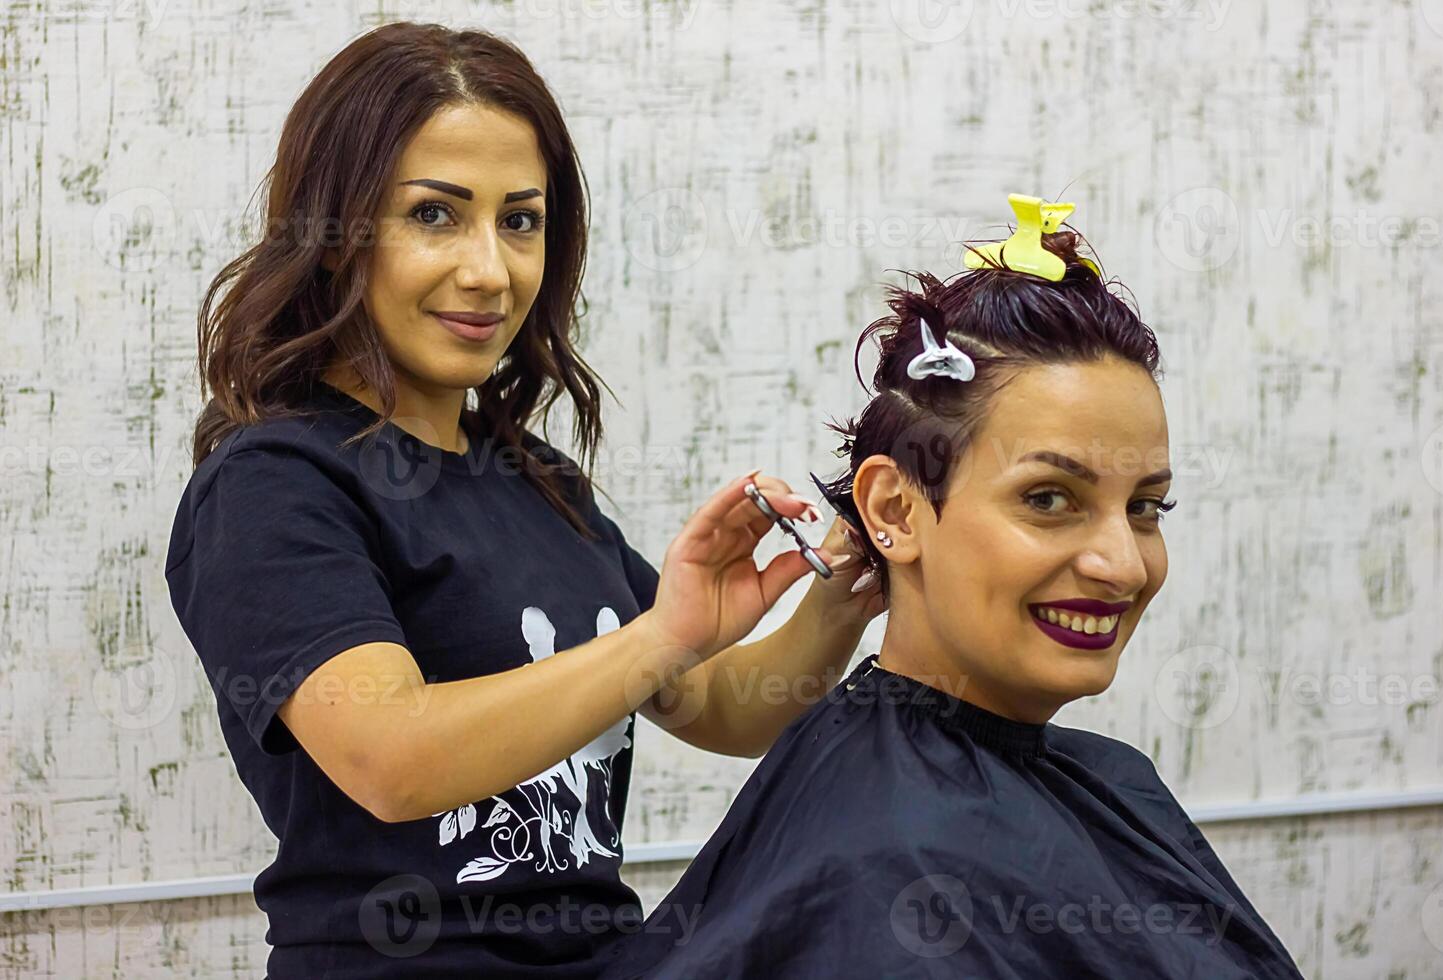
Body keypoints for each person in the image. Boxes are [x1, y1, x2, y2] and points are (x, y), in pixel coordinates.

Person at [163, 22, 884, 978]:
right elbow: (393, 758)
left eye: (520, 219)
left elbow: (714, 706)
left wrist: (842, 593)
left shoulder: (532, 476)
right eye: (434, 215)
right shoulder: (273, 485)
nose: (489, 271)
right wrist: (658, 637)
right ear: (335, 234)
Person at [600, 204, 1306, 978]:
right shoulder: (889, 859)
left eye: (1144, 508)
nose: (1124, 566)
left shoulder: (1109, 778)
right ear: (895, 511)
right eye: (1049, 499)